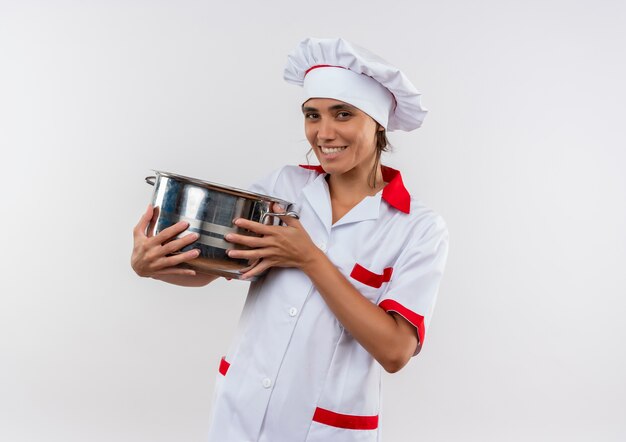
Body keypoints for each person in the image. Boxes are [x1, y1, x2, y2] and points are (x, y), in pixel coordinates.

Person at [131, 37, 448, 442]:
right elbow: (214, 267)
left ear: (378, 122)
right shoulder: (283, 188)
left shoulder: (417, 228)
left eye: (343, 114)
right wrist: (152, 266)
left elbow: (395, 351)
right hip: (239, 413)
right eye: (312, 115)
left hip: (326, 429)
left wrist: (310, 258)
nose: (324, 132)